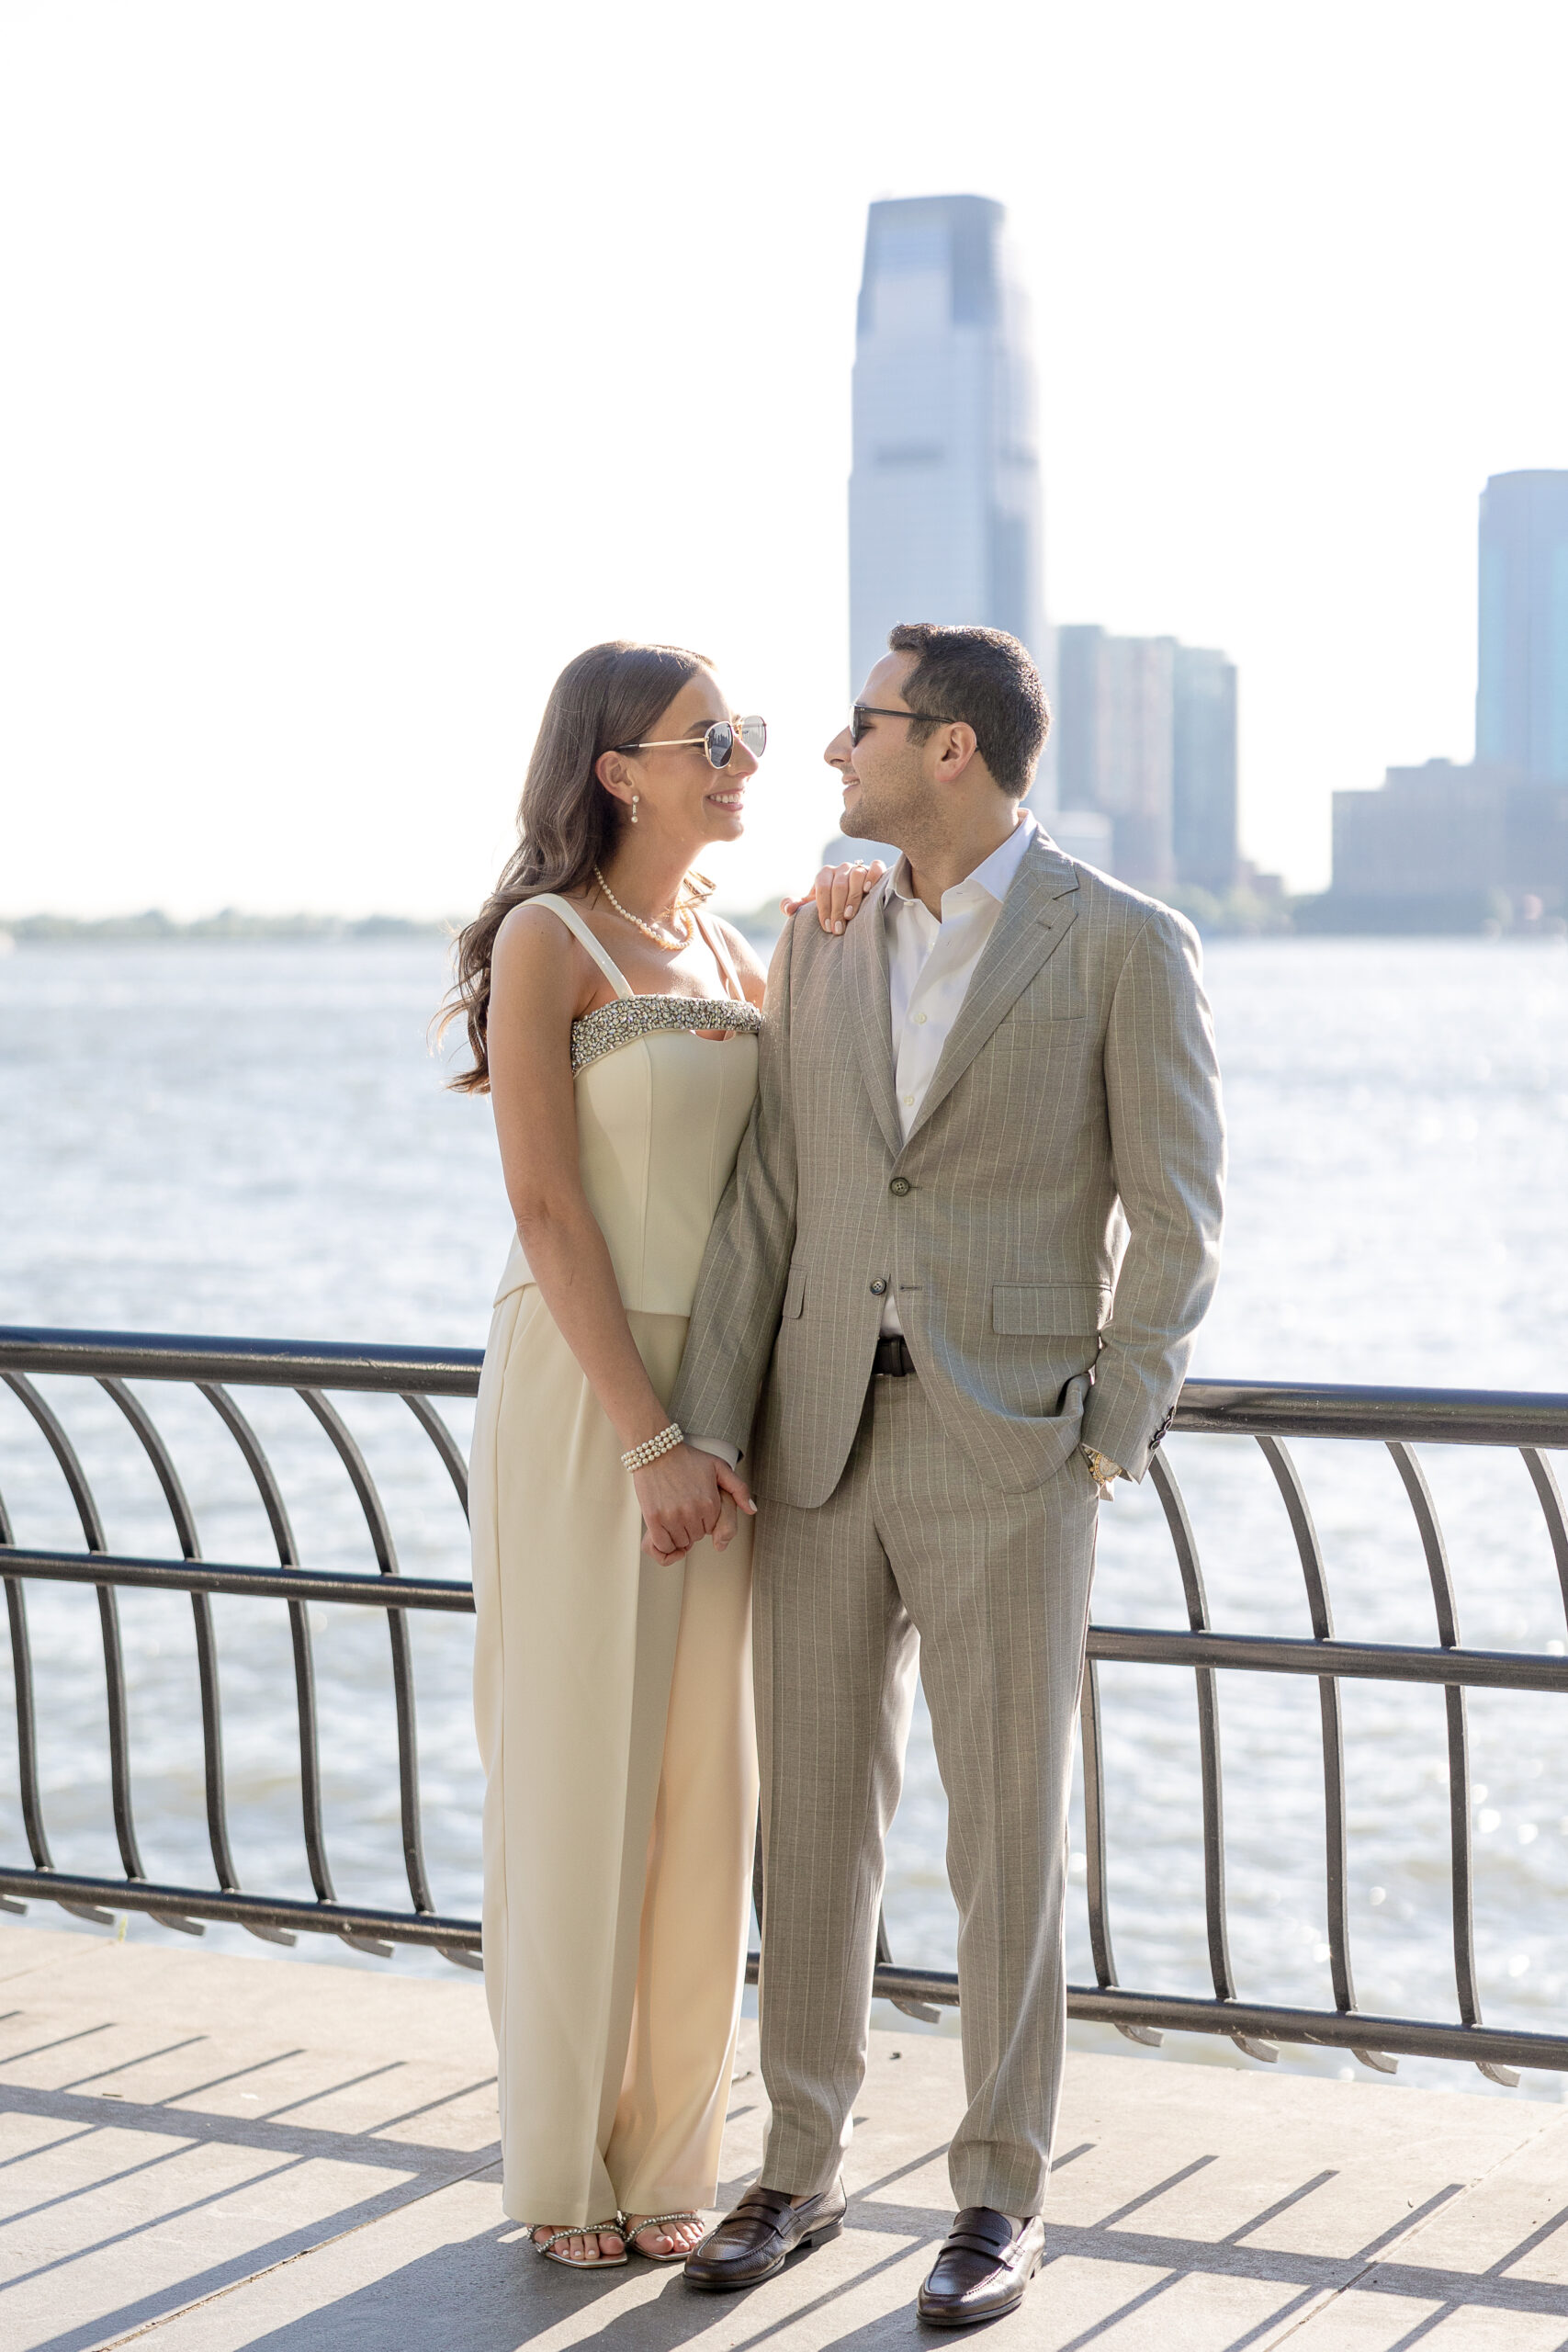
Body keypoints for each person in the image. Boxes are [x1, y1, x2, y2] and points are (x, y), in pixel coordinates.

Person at [665, 622, 1225, 2325]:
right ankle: (798, 2170)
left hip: (1014, 1457)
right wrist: (704, 1422)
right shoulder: (823, 937)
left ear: (954, 749)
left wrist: (1103, 1435)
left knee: (1008, 1845)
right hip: (817, 1438)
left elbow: (1182, 1219)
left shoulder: (1124, 943)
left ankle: (999, 2200)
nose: (835, 755)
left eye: (863, 726)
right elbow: (777, 1196)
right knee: (813, 1835)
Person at [444, 640, 882, 2270]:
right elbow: (549, 1210)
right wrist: (648, 1438)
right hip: (592, 1397)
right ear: (617, 769)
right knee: (578, 1772)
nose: (746, 759)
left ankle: (667, 2158)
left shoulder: (736, 944)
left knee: (711, 1789)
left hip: (731, 1406)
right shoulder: (546, 943)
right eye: (713, 738)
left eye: (750, 734)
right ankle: (560, 2163)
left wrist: (843, 919)